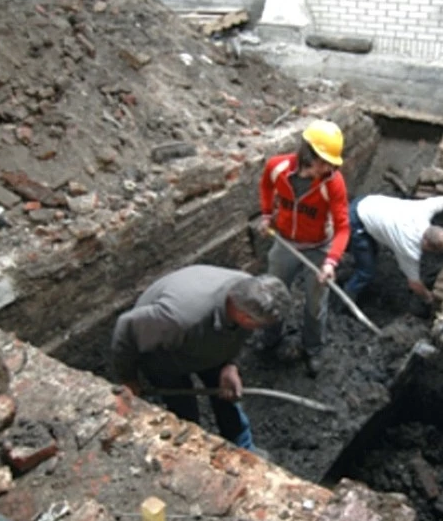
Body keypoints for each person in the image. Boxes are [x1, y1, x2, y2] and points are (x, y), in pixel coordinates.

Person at [110, 265, 291, 459]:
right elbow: (126, 328)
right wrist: (128, 378)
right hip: (165, 354)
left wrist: (230, 365)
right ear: (244, 316)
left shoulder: (249, 290)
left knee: (228, 396)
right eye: (259, 325)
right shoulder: (179, 318)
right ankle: (195, 454)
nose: (259, 329)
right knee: (184, 411)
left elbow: (240, 335)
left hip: (210, 343)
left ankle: (242, 447)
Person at [257, 119, 350, 378]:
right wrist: (266, 215)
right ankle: (271, 337)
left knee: (315, 302)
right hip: (285, 241)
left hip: (319, 246)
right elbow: (265, 186)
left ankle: (313, 347)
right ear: (308, 154)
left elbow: (343, 228)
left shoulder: (332, 182)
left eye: (332, 163)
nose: (329, 167)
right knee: (273, 293)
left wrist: (331, 261)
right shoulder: (277, 168)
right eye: (324, 161)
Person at [343, 193, 443, 305]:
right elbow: (414, 284)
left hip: (368, 201)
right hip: (357, 220)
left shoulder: (423, 210)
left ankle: (352, 249)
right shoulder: (409, 250)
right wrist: (428, 297)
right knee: (366, 272)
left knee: (371, 251)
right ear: (427, 245)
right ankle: (345, 299)